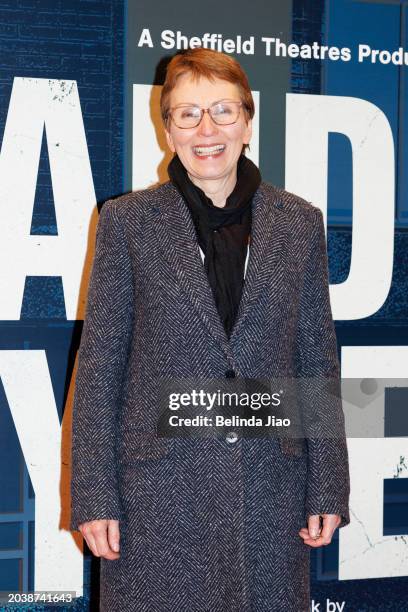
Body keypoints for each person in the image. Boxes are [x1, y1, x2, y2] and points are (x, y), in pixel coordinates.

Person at [70, 47, 350, 612]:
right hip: (156, 500)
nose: (207, 129)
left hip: (269, 495)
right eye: (187, 114)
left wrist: (328, 483)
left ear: (248, 121)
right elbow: (100, 368)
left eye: (223, 111)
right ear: (168, 129)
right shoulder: (127, 222)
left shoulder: (299, 223)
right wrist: (94, 494)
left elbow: (315, 361)